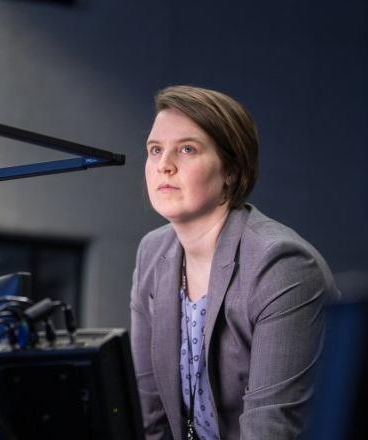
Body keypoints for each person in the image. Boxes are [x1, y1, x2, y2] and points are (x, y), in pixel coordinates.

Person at [130, 85, 340, 440]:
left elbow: (271, 427)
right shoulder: (152, 252)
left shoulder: (281, 264)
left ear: (230, 169)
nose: (164, 165)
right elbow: (148, 412)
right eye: (155, 150)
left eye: (187, 149)